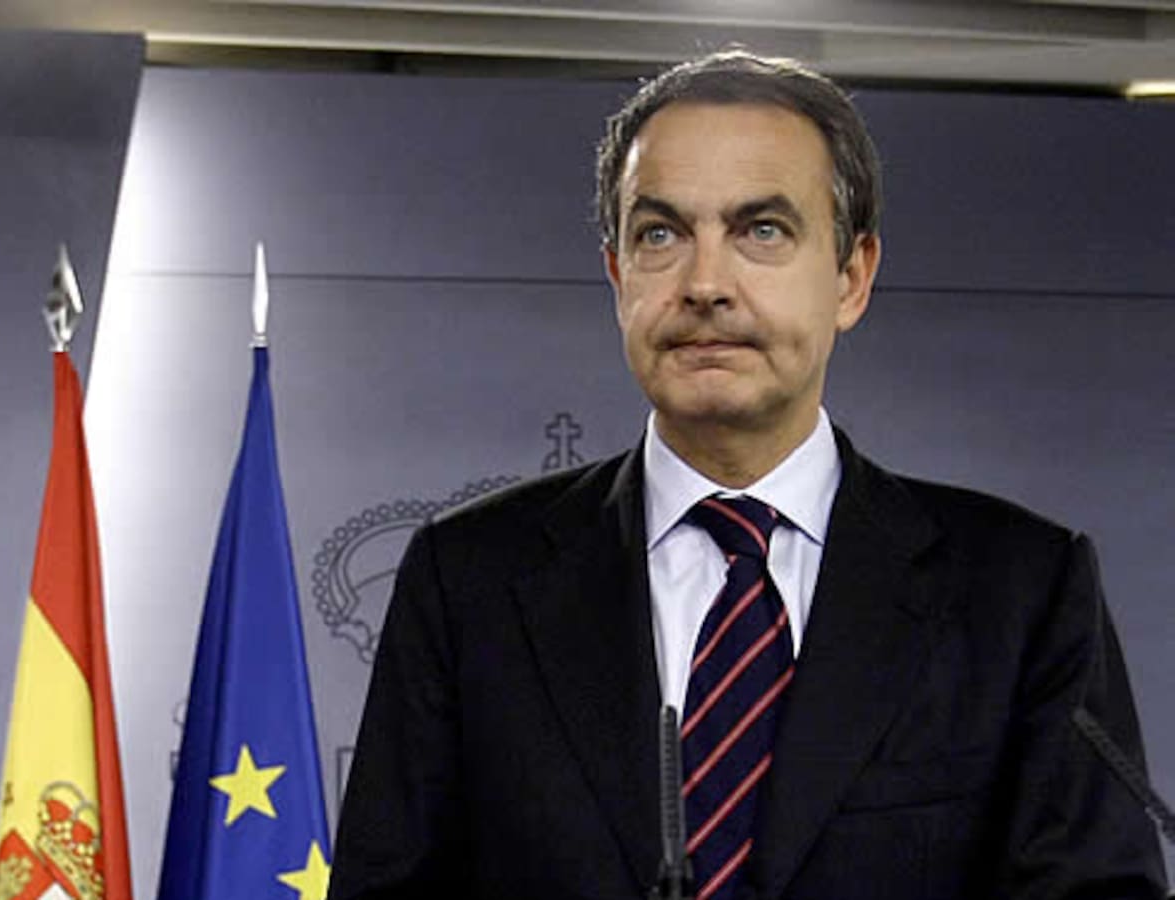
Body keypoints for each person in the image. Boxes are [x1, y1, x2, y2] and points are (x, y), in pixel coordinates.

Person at [328, 51, 1167, 900]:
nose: (705, 284)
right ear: (618, 276)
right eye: (661, 234)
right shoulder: (468, 580)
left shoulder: (1020, 592)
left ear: (851, 277)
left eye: (761, 230)